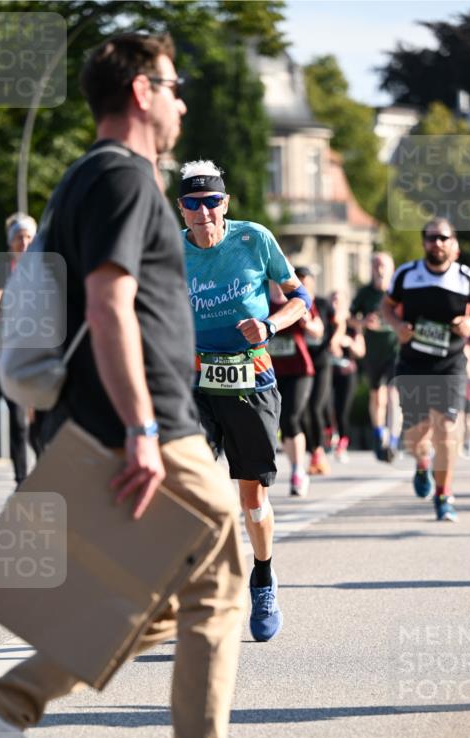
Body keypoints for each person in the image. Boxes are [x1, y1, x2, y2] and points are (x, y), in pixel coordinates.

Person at [0, 32, 296, 738]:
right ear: (141, 93)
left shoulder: (88, 179)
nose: (179, 101)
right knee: (222, 571)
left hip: (114, 417)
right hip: (150, 422)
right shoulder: (126, 179)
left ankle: (9, 703)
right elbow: (108, 304)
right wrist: (142, 425)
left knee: (156, 600)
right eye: (171, 86)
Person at [178, 159, 310, 642]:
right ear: (182, 208)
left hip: (251, 376)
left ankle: (262, 577)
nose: (204, 212)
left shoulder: (254, 239)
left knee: (252, 496)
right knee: (189, 487)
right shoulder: (170, 250)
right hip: (195, 381)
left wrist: (272, 324)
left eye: (212, 202)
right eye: (193, 203)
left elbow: (303, 299)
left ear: (225, 204)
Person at [381, 219, 470, 522]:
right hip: (413, 363)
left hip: (450, 363)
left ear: (453, 243)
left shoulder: (465, 277)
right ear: (424, 243)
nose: (437, 243)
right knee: (415, 434)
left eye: (443, 238)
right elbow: (387, 306)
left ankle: (444, 495)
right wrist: (397, 326)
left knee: (446, 428)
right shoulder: (407, 275)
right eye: (431, 238)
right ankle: (422, 464)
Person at [0, 213, 39, 486]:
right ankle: (21, 481)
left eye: (29, 236)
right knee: (18, 421)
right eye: (19, 237)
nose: (25, 242)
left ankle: (44, 472)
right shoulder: (3, 269)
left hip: (44, 350)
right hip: (13, 350)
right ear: (11, 241)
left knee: (40, 420)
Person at [349, 252, 402, 462]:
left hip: (395, 351)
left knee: (393, 395)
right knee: (377, 397)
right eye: (376, 265)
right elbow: (350, 318)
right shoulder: (365, 293)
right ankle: (379, 434)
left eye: (383, 265)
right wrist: (362, 323)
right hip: (373, 352)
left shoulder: (398, 291)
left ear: (391, 268)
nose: (379, 269)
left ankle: (394, 440)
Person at [268, 281, 319, 496]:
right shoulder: (260, 299)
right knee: (282, 423)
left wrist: (307, 323)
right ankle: (295, 466)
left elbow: (319, 331)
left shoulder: (298, 299)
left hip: (300, 370)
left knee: (292, 417)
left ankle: (298, 471)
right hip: (271, 371)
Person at [294, 266, 333, 477]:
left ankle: (318, 452)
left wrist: (337, 339)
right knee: (301, 410)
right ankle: (314, 451)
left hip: (319, 362)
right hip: (299, 363)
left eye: (306, 283)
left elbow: (336, 326)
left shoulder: (323, 304)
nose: (303, 287)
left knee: (316, 407)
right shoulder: (290, 304)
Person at [329, 290, 363, 462]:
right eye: (333, 300)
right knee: (326, 407)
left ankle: (342, 444)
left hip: (347, 372)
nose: (335, 303)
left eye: (339, 300)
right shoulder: (327, 321)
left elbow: (361, 351)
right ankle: (329, 437)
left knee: (342, 409)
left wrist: (348, 342)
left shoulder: (352, 326)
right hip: (328, 371)